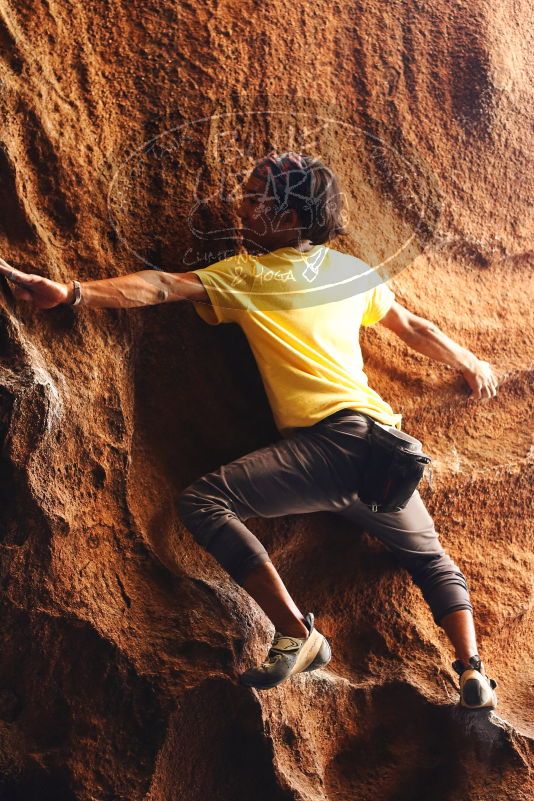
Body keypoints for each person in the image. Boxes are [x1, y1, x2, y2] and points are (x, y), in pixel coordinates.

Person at [0, 150, 498, 709]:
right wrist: (469, 362)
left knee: (204, 503)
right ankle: (472, 670)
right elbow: (413, 326)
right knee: (431, 559)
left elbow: (162, 286)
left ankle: (295, 631)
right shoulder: (351, 272)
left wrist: (71, 293)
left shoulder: (250, 274)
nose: (240, 203)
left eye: (256, 195)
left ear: (288, 221)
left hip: (333, 444)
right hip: (387, 454)